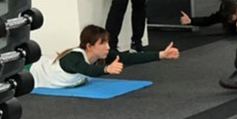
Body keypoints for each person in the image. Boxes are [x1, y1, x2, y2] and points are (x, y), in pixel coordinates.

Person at [29, 24, 180, 89]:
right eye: (102, 43)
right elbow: (88, 70)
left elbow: (129, 58)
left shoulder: (103, 55)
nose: (108, 47)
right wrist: (106, 69)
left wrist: (161, 55)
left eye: (107, 42)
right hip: (29, 71)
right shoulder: (73, 58)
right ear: (89, 46)